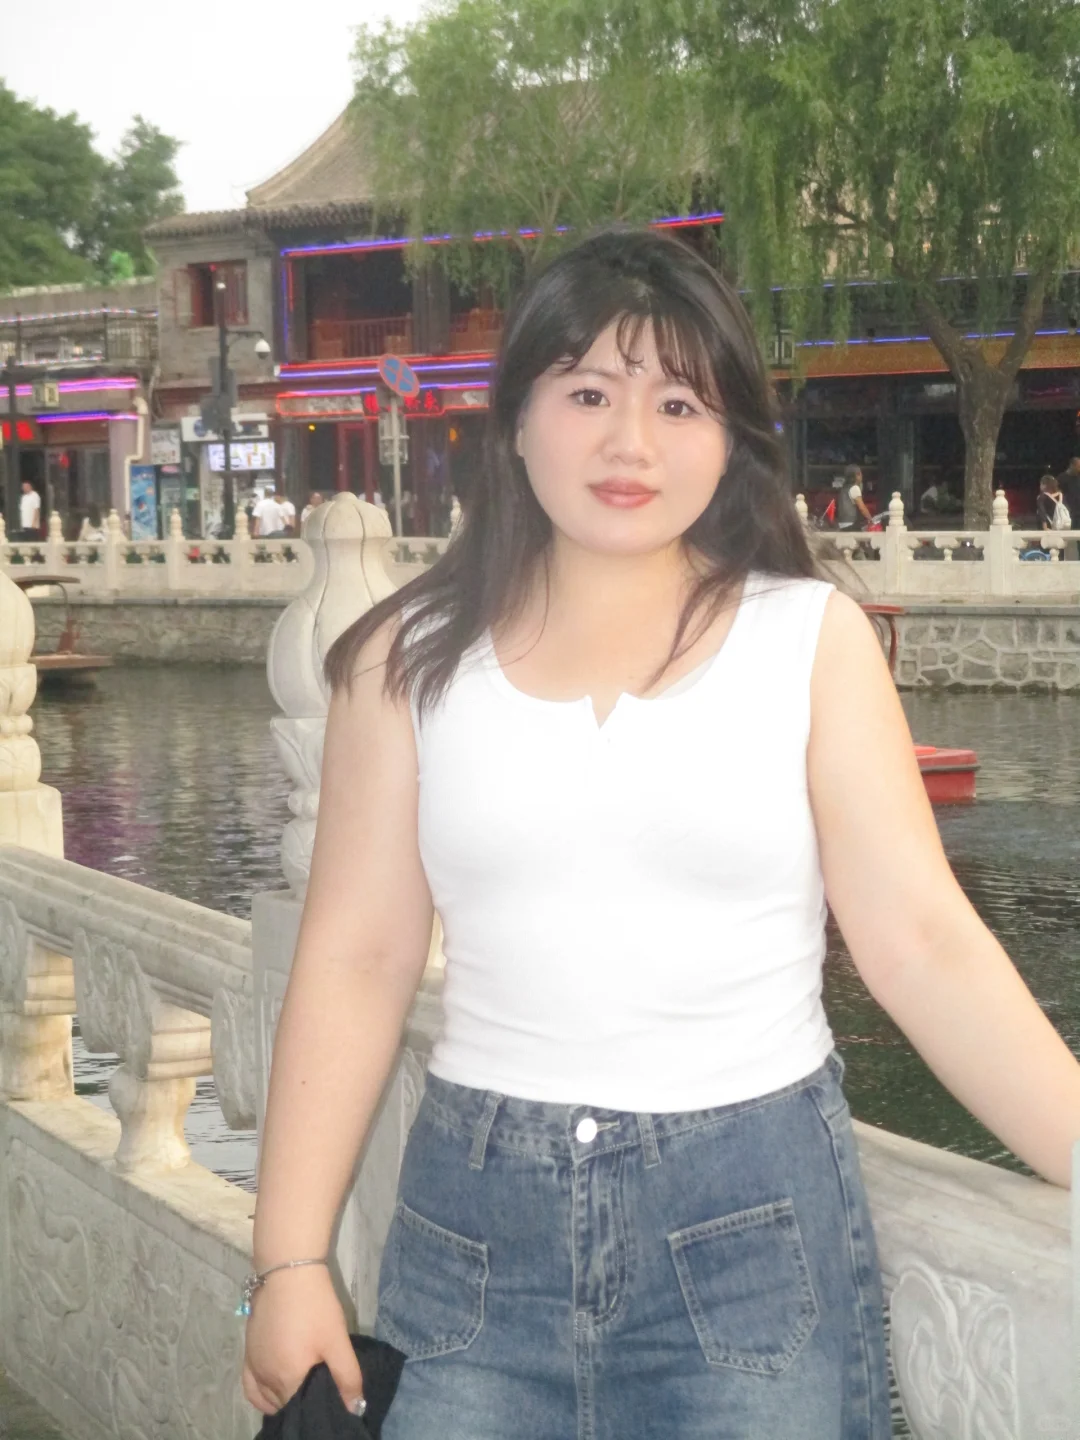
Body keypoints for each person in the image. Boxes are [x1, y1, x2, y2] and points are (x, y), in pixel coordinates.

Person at [242, 227, 1080, 1438]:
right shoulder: (406, 662)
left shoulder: (808, 641)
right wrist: (288, 1260)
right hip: (473, 1234)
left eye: (678, 403)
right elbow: (356, 959)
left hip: (750, 1226)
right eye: (588, 393)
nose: (630, 443)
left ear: (729, 436)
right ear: (515, 419)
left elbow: (919, 943)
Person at [834, 464, 873, 530]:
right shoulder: (854, 488)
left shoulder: (843, 489)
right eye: (860, 473)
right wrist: (871, 519)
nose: (862, 476)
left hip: (842, 525)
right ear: (857, 475)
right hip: (851, 524)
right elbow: (862, 508)